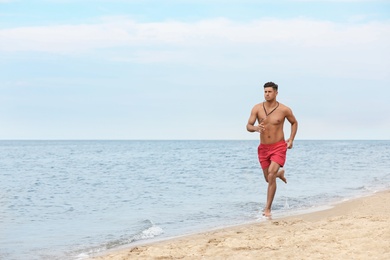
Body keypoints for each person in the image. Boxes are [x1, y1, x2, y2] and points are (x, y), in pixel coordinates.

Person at [246, 82, 298, 218]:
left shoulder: (284, 109)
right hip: (263, 148)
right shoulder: (257, 108)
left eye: (269, 91)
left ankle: (267, 209)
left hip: (279, 147)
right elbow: (248, 126)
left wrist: (291, 139)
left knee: (270, 174)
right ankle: (279, 174)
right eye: (265, 92)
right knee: (268, 178)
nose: (267, 94)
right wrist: (255, 128)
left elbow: (294, 122)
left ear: (276, 93)